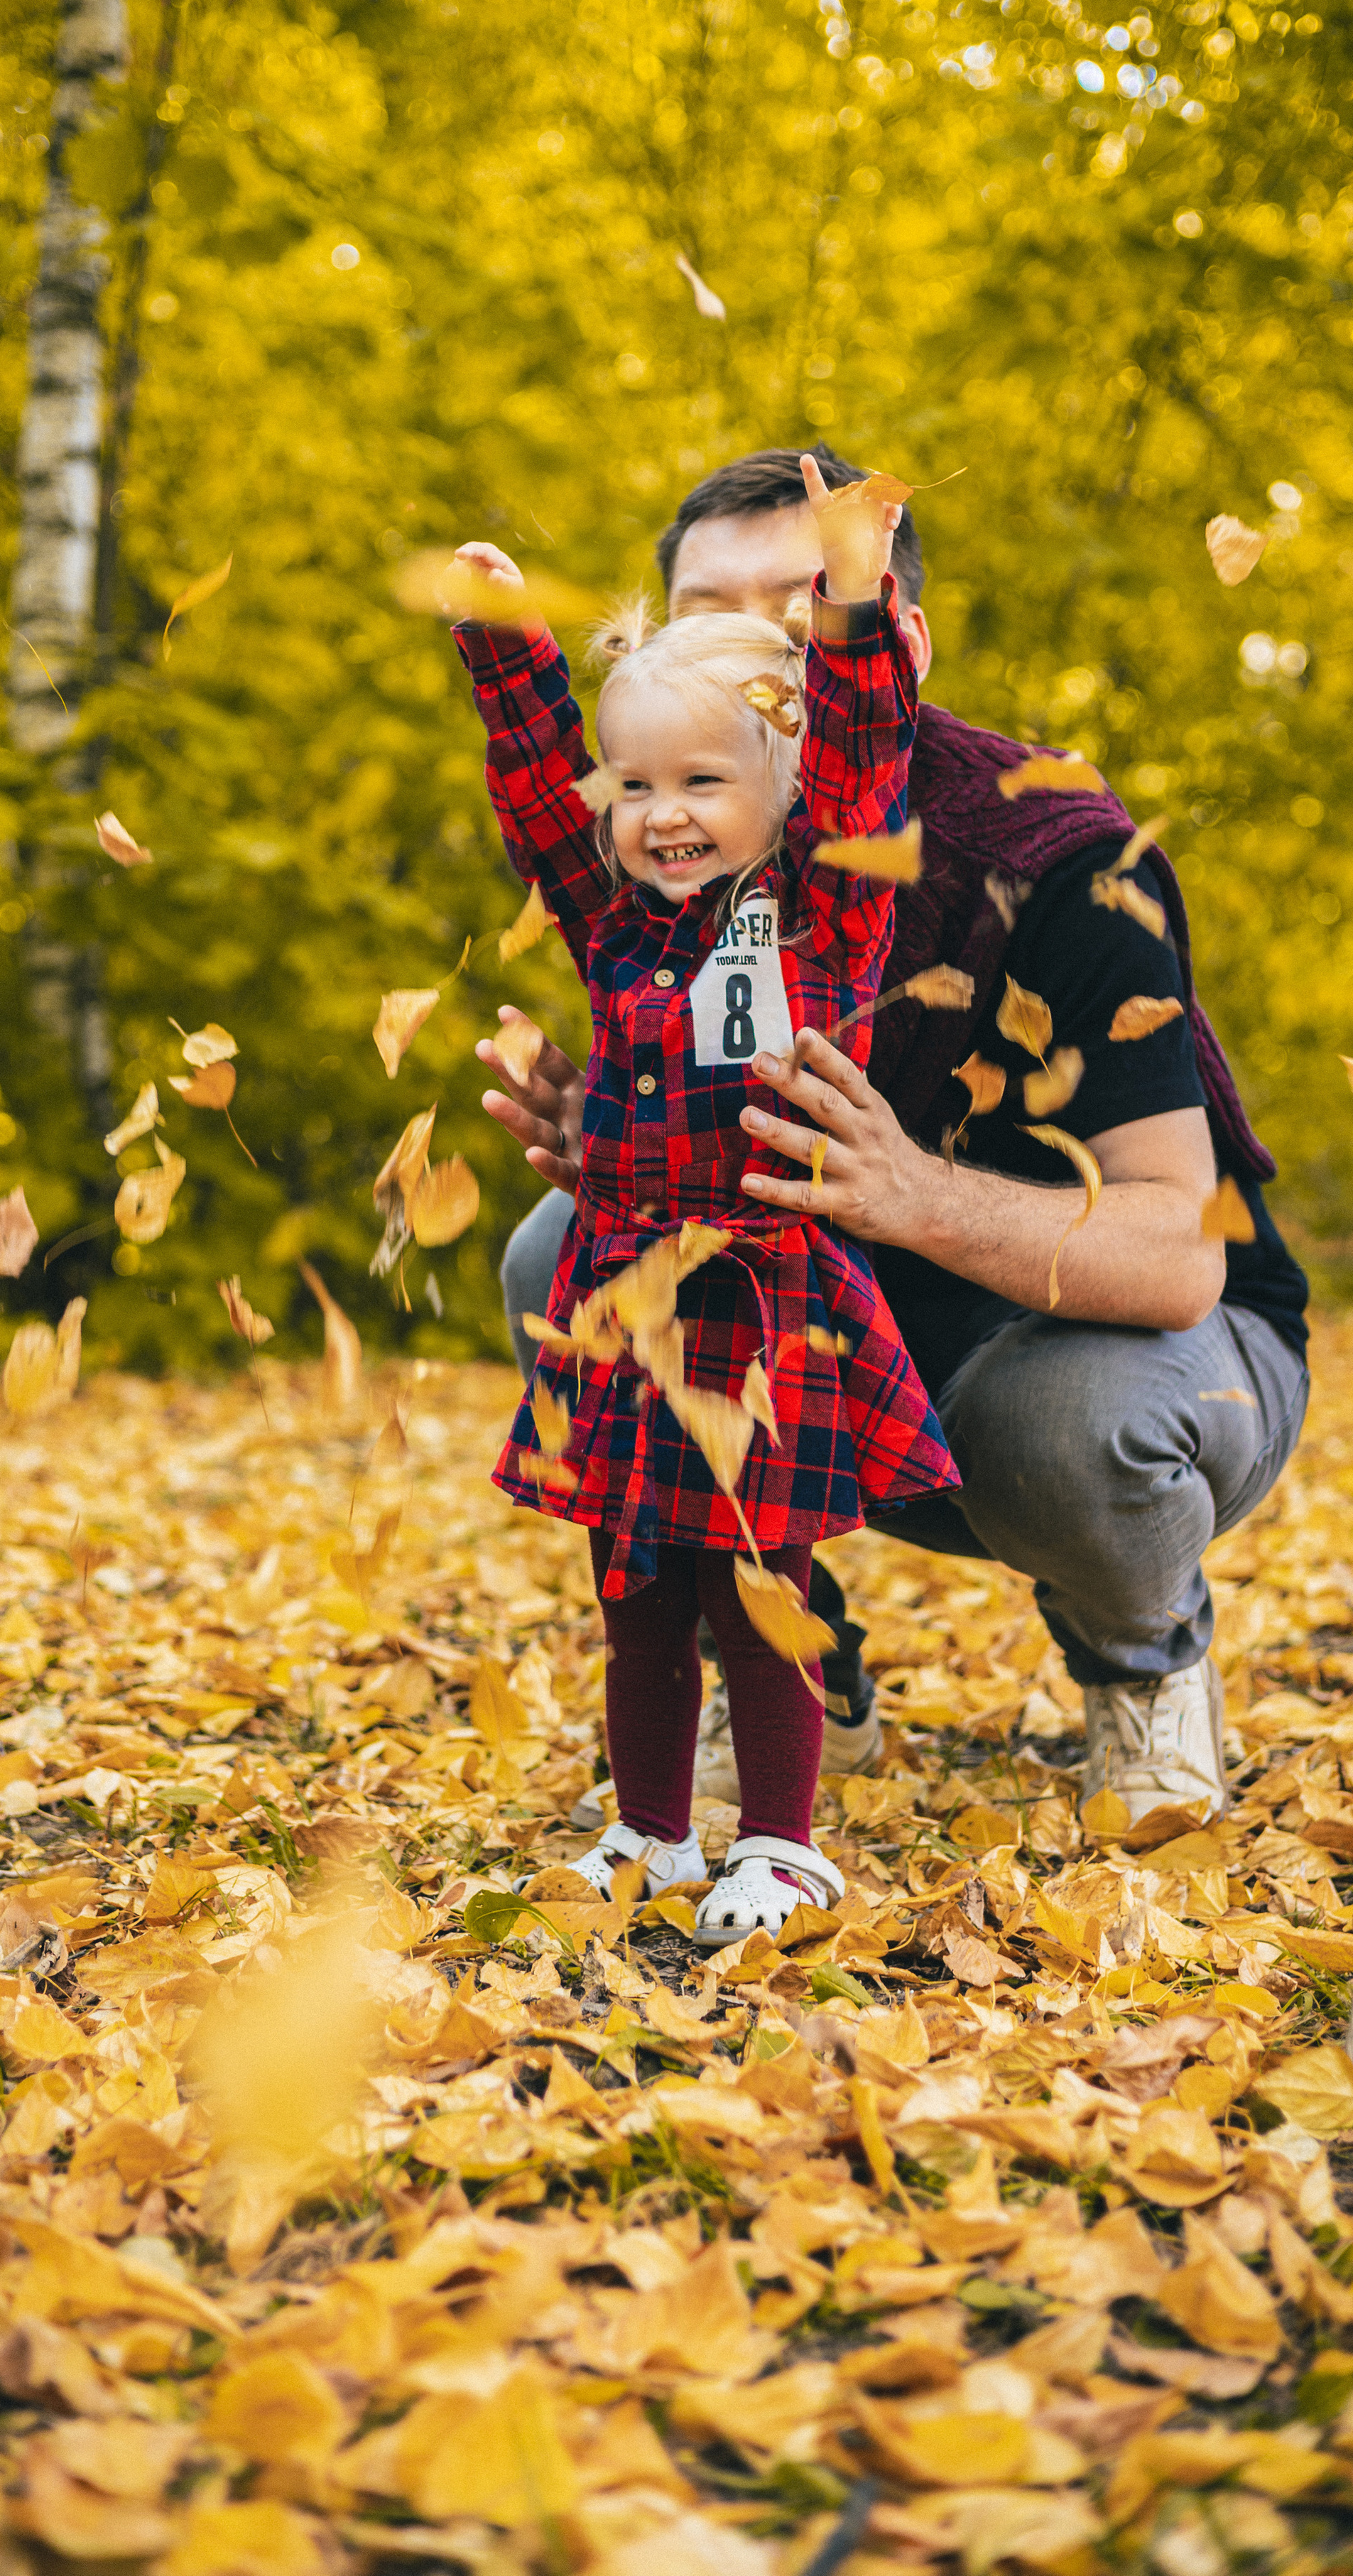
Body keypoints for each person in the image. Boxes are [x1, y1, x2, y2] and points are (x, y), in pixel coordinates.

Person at [479, 447, 1310, 1827]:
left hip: (1127, 1356)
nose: (747, 654)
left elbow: (1176, 1258)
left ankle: (1141, 1668)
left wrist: (905, 1190)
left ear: (887, 646)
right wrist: (626, 1146)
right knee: (560, 1254)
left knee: (1060, 1417)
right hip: (838, 1355)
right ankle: (801, 1679)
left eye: (792, 616)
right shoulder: (673, 841)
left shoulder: (1056, 852)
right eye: (704, 618)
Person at [451, 460, 959, 1949]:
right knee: (634, 1590)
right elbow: (543, 798)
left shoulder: (822, 911)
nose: (664, 818)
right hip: (623, 1300)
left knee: (759, 1590)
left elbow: (865, 742)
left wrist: (856, 601)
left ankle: (783, 1844)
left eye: (702, 782)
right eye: (641, 787)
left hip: (758, 1301)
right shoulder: (614, 926)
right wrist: (505, 652)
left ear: (780, 792)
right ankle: (652, 1831)